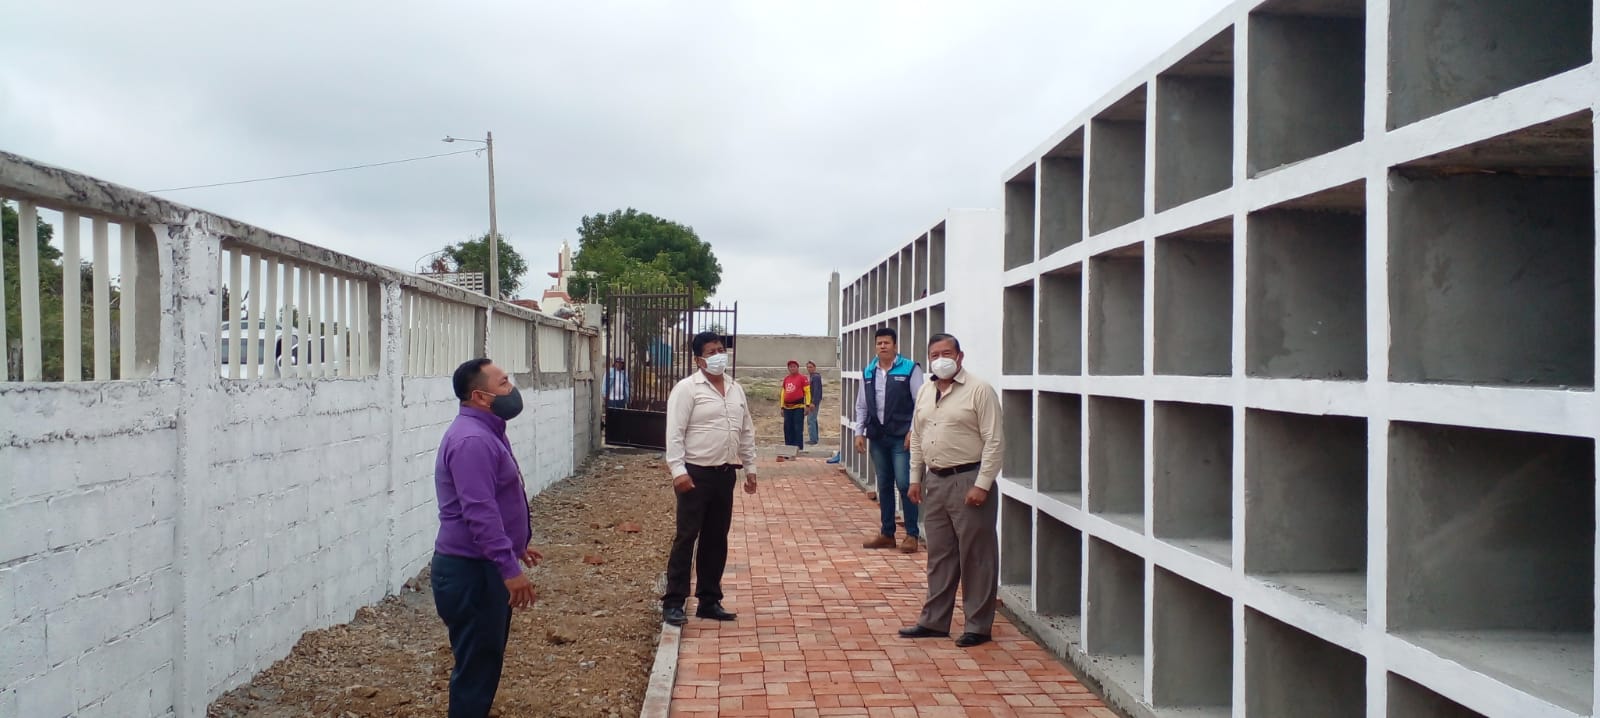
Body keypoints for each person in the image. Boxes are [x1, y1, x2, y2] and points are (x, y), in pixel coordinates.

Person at [432, 358, 544, 717]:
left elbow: (496, 499)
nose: (512, 389)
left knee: (482, 661)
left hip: (479, 567)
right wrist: (509, 570)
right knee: (477, 669)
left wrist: (515, 546)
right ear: (480, 396)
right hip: (473, 573)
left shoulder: (487, 431)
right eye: (504, 383)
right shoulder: (472, 441)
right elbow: (479, 513)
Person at [897, 333, 1004, 648]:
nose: (940, 359)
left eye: (947, 353)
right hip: (936, 481)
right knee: (940, 554)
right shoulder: (926, 391)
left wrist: (982, 484)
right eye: (934, 354)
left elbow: (995, 440)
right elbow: (918, 436)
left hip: (968, 479)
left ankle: (978, 626)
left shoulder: (979, 390)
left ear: (960, 356)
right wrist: (915, 478)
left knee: (977, 556)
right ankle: (934, 621)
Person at [662, 331, 759, 627]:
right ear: (699, 360)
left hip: (725, 474)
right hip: (695, 474)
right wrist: (678, 471)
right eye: (711, 352)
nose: (719, 355)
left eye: (721, 350)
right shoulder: (687, 389)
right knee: (687, 537)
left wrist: (750, 467)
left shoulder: (735, 389)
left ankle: (709, 600)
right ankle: (674, 602)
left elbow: (746, 430)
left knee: (716, 538)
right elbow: (674, 433)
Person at [855, 327, 925, 553]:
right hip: (878, 436)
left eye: (886, 342)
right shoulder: (868, 371)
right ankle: (887, 533)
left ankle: (912, 534)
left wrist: (913, 430)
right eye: (879, 343)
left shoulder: (910, 369)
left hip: (901, 437)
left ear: (895, 345)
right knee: (884, 484)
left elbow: (920, 403)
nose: (882, 346)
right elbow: (862, 405)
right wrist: (859, 432)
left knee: (904, 483)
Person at [780, 359, 812, 456]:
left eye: (794, 366)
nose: (792, 368)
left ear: (797, 368)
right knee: (787, 428)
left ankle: (798, 448)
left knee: (798, 428)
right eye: (790, 367)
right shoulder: (786, 379)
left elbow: (807, 392)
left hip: (799, 407)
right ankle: (788, 448)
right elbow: (783, 393)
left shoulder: (802, 378)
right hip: (787, 408)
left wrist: (807, 405)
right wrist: (782, 407)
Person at [806, 360, 824, 446]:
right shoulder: (812, 377)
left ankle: (813, 439)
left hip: (814, 402)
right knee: (813, 419)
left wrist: (813, 402)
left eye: (811, 367)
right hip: (813, 401)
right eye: (808, 367)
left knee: (811, 419)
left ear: (814, 367)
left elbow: (816, 391)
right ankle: (815, 438)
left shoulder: (815, 377)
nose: (809, 369)